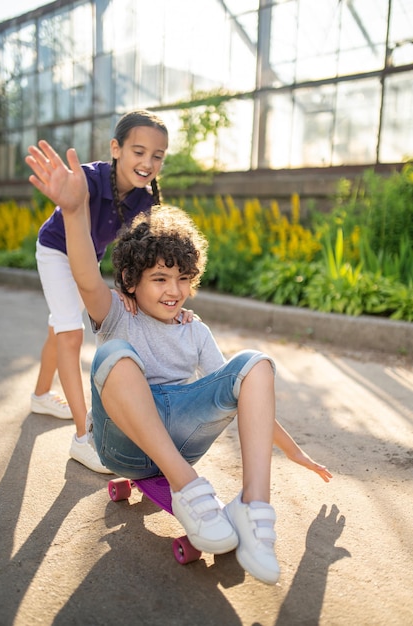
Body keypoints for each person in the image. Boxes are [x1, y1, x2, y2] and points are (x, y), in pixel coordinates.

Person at [25, 140, 332, 585]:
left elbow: (244, 388)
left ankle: (253, 505)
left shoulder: (193, 328)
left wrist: (291, 448)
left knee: (256, 364)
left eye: (183, 279)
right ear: (131, 280)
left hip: (181, 437)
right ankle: (189, 488)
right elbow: (85, 276)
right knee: (116, 355)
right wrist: (74, 212)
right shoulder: (114, 312)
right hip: (123, 445)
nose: (174, 291)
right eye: (160, 279)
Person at [29, 110, 193, 474]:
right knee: (70, 332)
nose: (148, 162)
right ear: (115, 148)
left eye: (157, 156)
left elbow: (134, 252)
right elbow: (74, 226)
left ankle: (40, 394)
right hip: (56, 250)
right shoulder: (86, 179)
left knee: (60, 325)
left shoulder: (145, 199)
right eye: (138, 151)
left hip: (90, 258)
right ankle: (82, 437)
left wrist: (128, 291)